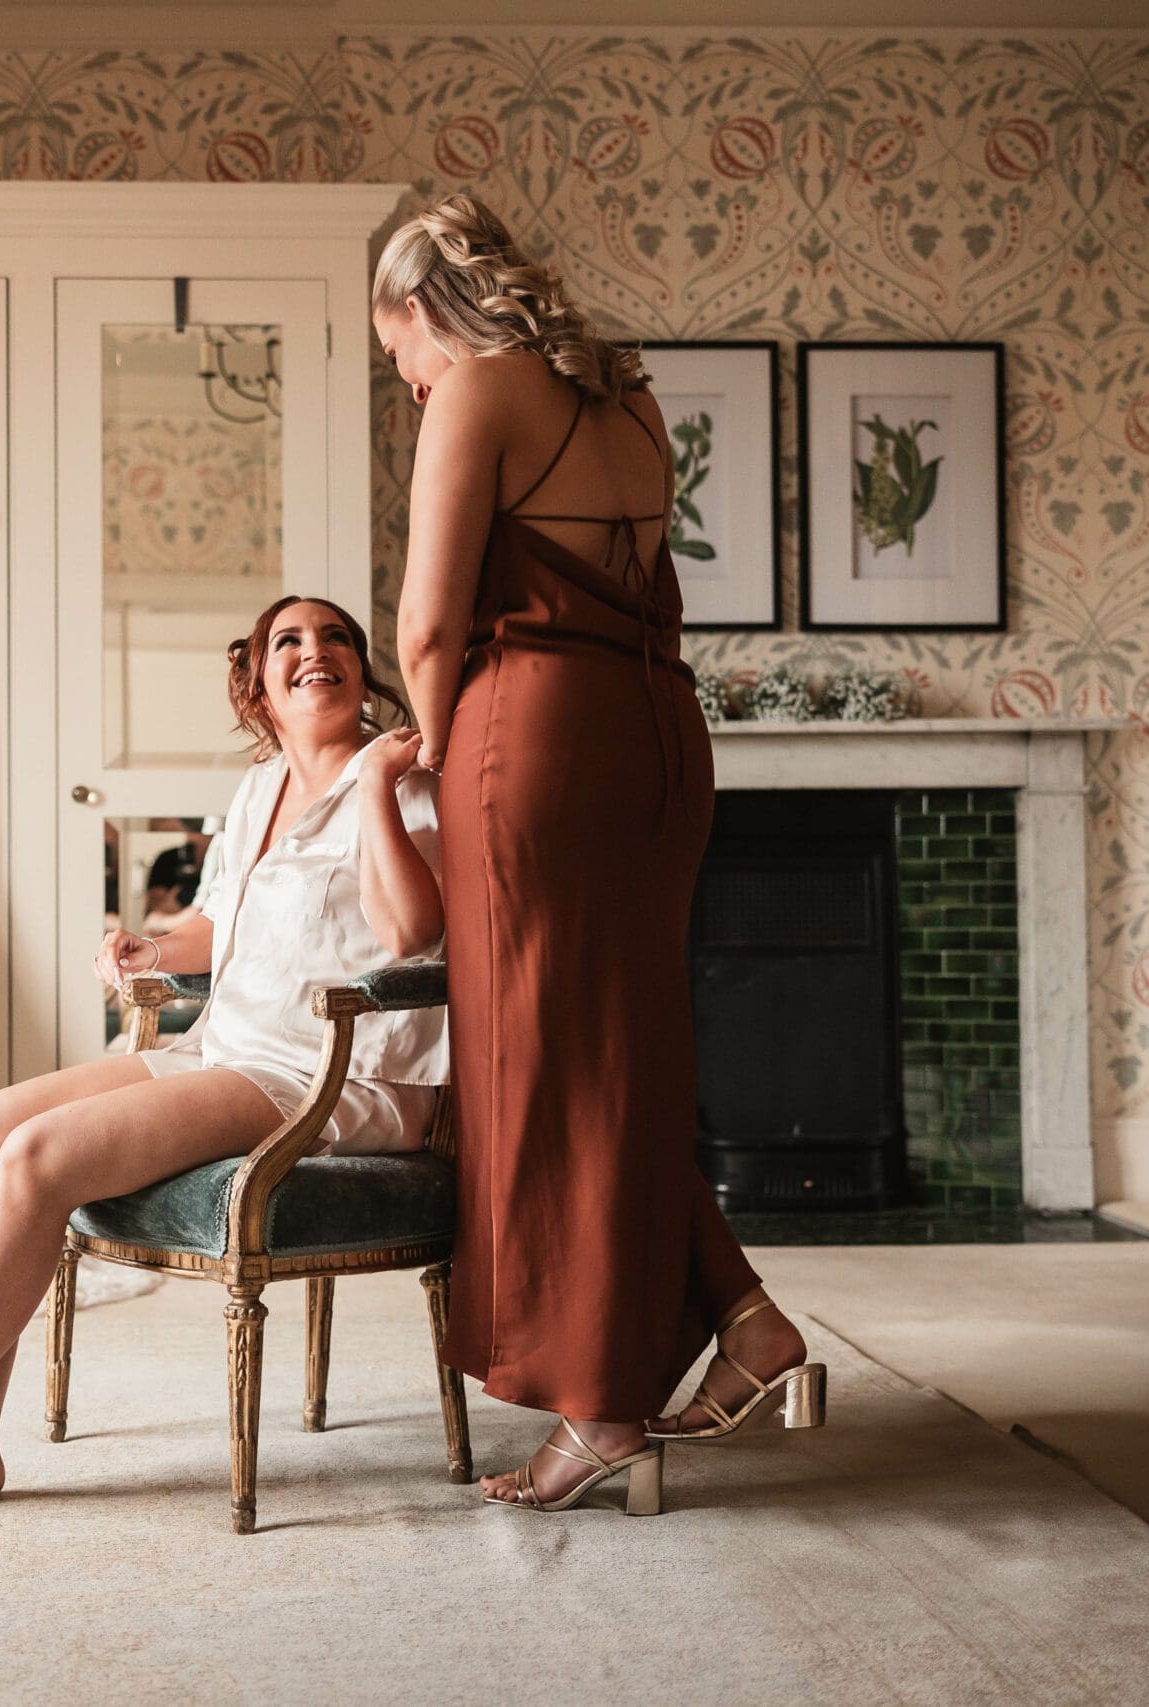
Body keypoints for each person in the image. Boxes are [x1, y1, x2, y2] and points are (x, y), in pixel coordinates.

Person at [0, 595, 446, 1522]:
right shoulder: (259, 790)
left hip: (329, 1073)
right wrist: (154, 950)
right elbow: (226, 926)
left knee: (39, 1157)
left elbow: (411, 931)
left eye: (334, 637)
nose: (313, 651)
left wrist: (372, 789)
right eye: (286, 639)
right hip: (227, 1047)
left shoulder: (404, 781)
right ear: (259, 681)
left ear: (361, 673)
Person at [376, 193, 825, 1515]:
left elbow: (422, 623)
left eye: (392, 347)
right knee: (615, 1053)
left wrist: (440, 752)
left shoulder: (478, 387)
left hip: (540, 737)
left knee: (531, 1061)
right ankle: (742, 1317)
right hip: (659, 730)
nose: (403, 377)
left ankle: (600, 1404)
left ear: (421, 308)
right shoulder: (622, 394)